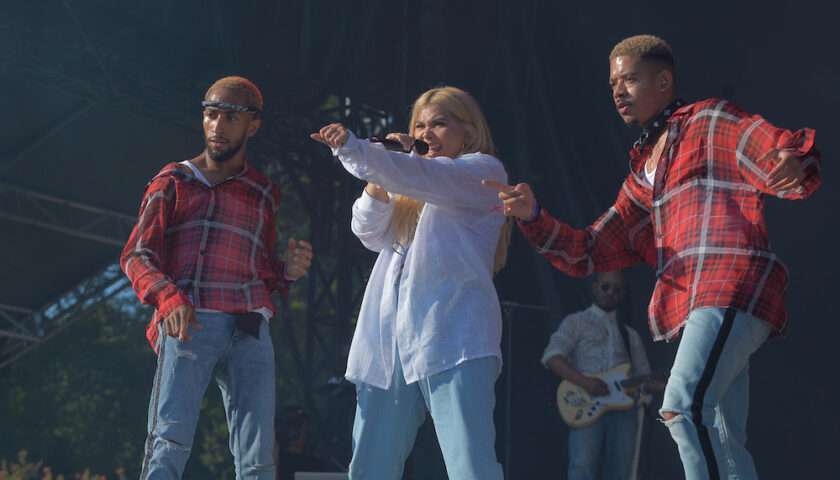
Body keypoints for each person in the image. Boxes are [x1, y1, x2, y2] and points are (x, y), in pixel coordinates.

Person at [486, 35, 821, 480]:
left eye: (629, 79)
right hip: (696, 304)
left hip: (729, 286)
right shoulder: (642, 180)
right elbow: (589, 251)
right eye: (612, 85)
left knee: (682, 406)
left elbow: (776, 149)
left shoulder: (708, 121)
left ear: (663, 81)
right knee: (720, 432)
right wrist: (532, 215)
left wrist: (794, 160)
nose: (618, 92)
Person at [310, 86, 510, 480]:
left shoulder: (483, 170)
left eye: (439, 123)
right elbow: (366, 231)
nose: (427, 132)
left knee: (471, 466)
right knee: (369, 468)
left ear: (467, 131)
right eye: (420, 124)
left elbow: (426, 177)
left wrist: (359, 150)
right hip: (389, 342)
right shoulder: (411, 184)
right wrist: (380, 174)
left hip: (455, 337)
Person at [121, 76, 314, 479]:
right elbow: (137, 255)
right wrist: (168, 298)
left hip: (250, 328)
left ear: (253, 125)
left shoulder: (263, 192)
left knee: (259, 456)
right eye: (210, 115)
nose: (217, 126)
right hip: (191, 322)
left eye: (229, 117)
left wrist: (288, 271)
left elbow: (260, 269)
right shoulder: (174, 181)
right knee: (167, 443)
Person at [543, 270, 655, 480]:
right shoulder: (576, 322)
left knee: (622, 472)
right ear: (594, 287)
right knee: (582, 468)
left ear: (622, 295)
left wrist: (668, 384)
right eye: (606, 286)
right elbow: (552, 357)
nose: (611, 293)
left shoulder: (630, 335)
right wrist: (586, 383)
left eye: (617, 289)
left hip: (624, 409)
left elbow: (644, 377)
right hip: (586, 403)